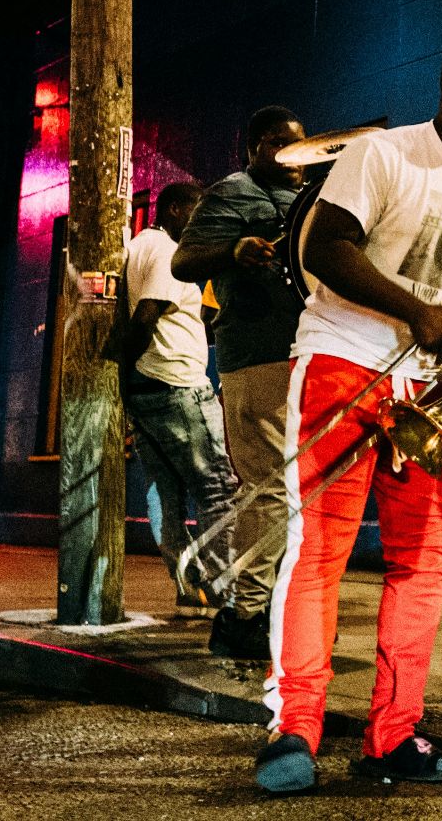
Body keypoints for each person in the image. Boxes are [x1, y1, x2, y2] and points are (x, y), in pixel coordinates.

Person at [253, 37, 442, 794]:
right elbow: (327, 247)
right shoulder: (385, 155)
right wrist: (417, 311)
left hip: (436, 396)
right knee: (318, 551)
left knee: (424, 564)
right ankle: (295, 726)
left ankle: (393, 734)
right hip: (345, 358)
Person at [173, 106, 309, 660]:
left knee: (293, 493)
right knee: (272, 491)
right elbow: (185, 262)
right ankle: (243, 615)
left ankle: (267, 610)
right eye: (278, 144)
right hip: (255, 359)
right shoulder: (233, 192)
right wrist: (234, 249)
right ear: (252, 149)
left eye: (300, 145)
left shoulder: (307, 197)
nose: (292, 155)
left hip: (304, 356)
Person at [122, 181, 238, 617]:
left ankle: (190, 591)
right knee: (219, 488)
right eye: (196, 211)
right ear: (173, 210)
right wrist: (124, 368)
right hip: (178, 387)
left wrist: (126, 383)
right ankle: (225, 594)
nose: (201, 222)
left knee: (167, 495)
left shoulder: (139, 247)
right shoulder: (167, 253)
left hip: (149, 391)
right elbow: (145, 317)